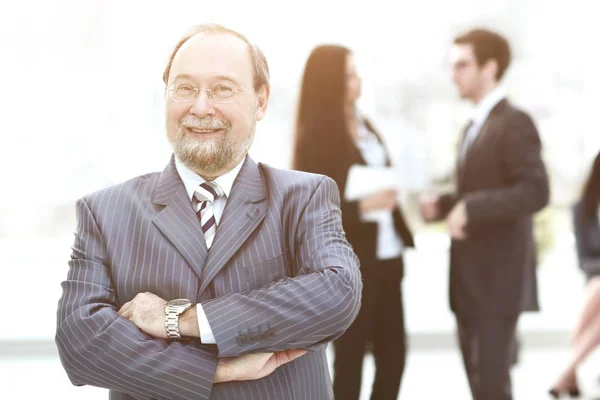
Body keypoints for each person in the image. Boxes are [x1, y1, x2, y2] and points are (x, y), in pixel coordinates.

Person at [55, 24, 362, 400]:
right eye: (184, 88)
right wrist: (215, 370)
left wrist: (181, 320)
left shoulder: (304, 195)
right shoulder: (105, 212)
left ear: (261, 100)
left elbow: (336, 295)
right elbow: (80, 344)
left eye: (222, 89)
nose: (201, 106)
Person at [419, 28, 549, 400]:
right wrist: (444, 206)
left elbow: (536, 191)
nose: (453, 74)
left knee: (491, 389)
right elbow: (476, 192)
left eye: (462, 65)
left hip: (497, 283)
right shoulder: (474, 126)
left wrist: (471, 207)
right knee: (481, 388)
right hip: (471, 283)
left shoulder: (514, 122)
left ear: (490, 68)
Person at [292, 45, 415, 400]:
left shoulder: (365, 124)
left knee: (394, 356)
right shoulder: (316, 137)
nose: (357, 80)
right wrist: (361, 207)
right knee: (351, 357)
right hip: (352, 264)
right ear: (329, 82)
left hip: (388, 256)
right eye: (349, 74)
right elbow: (311, 208)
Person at [548, 151, 600, 398]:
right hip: (595, 278)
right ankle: (568, 375)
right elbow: (584, 258)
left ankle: (567, 373)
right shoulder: (583, 209)